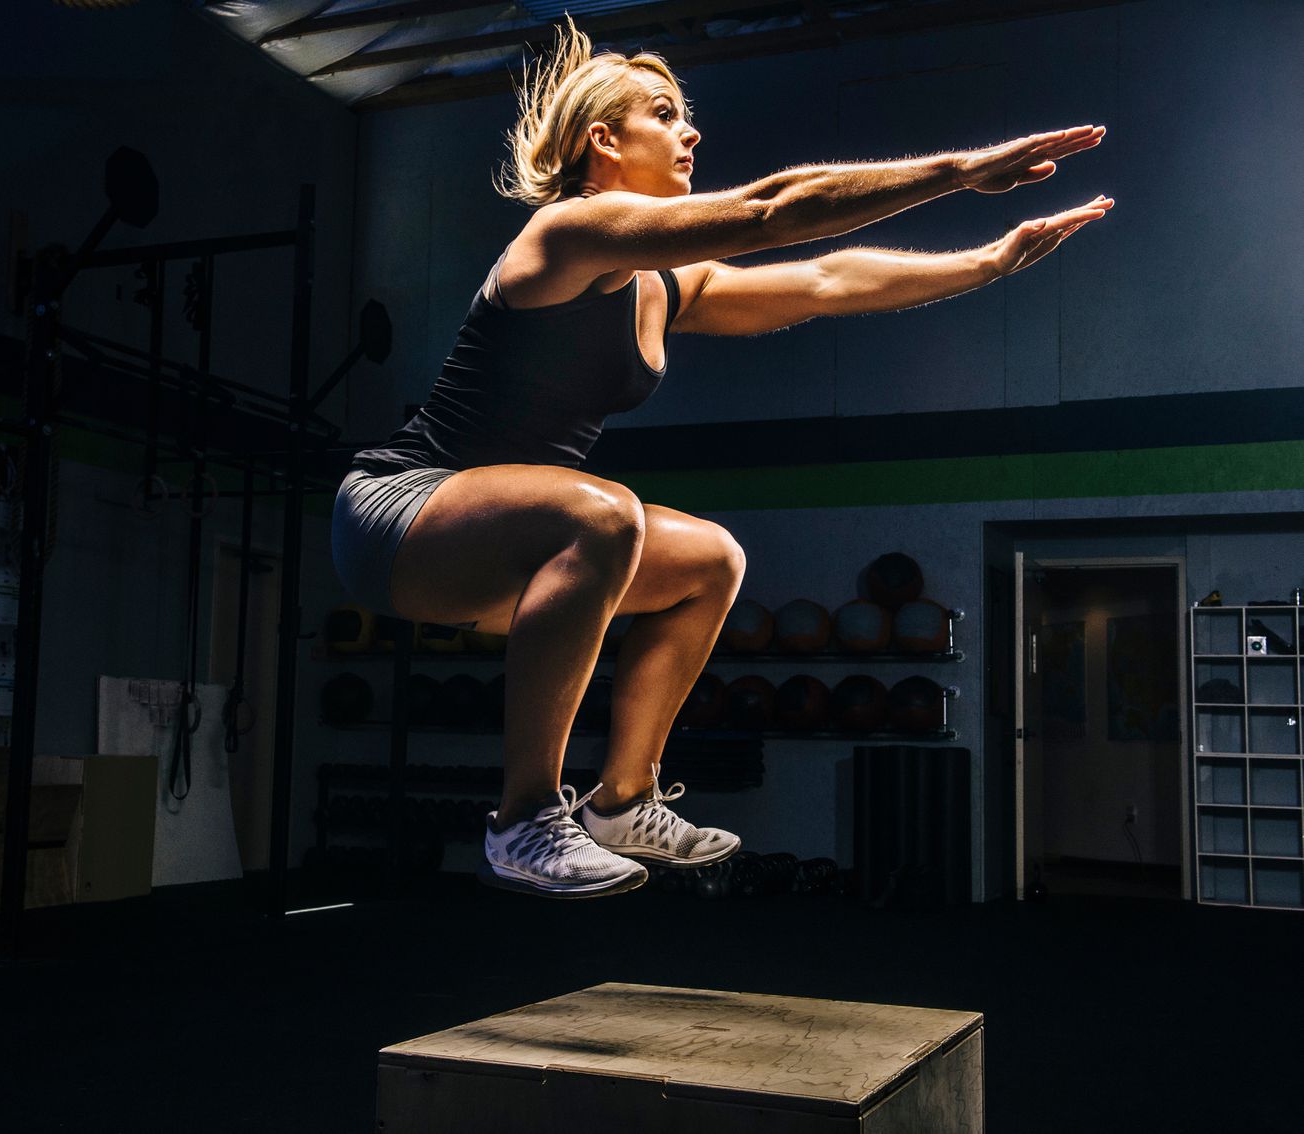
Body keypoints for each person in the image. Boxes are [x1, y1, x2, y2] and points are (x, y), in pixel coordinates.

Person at [333, 19, 1110, 899]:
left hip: (508, 547)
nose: (691, 132)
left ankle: (622, 800)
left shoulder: (667, 284)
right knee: (602, 512)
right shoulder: (567, 235)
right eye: (666, 115)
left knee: (709, 560)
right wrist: (960, 171)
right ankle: (522, 820)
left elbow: (825, 282)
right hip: (399, 517)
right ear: (604, 140)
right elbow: (770, 210)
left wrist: (986, 263)